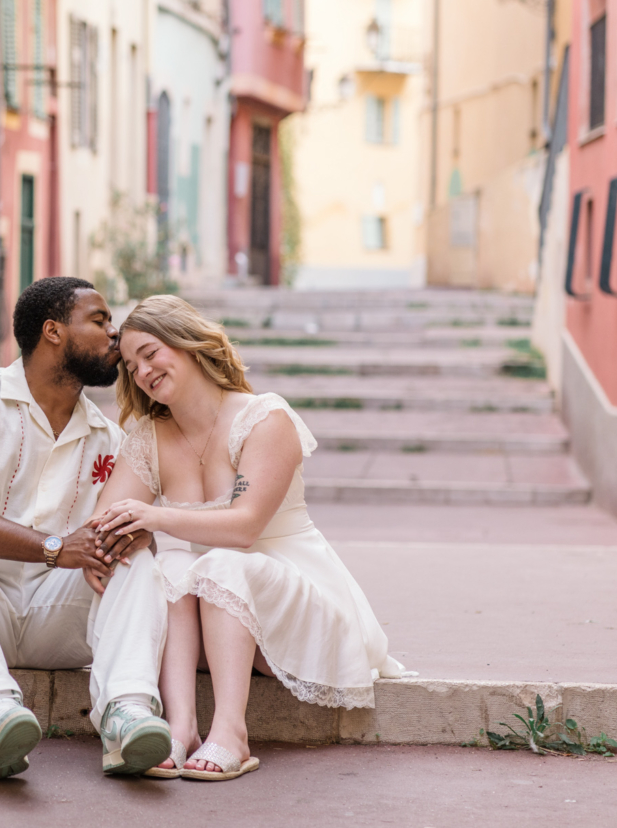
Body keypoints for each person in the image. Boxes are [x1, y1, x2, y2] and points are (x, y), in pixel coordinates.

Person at [91, 295, 407, 781]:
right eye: (131, 367)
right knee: (168, 566)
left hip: (299, 600)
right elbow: (104, 523)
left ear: (188, 343)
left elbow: (244, 527)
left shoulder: (263, 418)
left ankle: (231, 732)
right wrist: (123, 538)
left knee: (219, 562)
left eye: (151, 353)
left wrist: (151, 518)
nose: (143, 372)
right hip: (210, 619)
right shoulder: (150, 437)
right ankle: (181, 728)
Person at [0, 277, 172, 780]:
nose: (114, 335)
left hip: (56, 618)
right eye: (99, 321)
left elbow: (117, 537)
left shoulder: (108, 437)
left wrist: (128, 536)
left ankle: (126, 715)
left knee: (139, 560)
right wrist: (56, 548)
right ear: (52, 331)